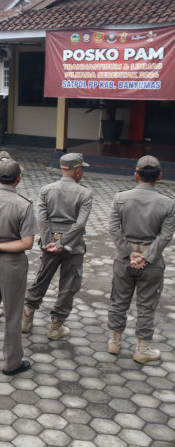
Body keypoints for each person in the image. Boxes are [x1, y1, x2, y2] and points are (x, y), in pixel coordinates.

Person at [107, 156, 175, 363]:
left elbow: (113, 229)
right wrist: (147, 257)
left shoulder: (120, 198)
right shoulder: (168, 203)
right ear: (160, 176)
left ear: (136, 175)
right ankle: (142, 350)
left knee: (118, 301)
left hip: (124, 260)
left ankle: (114, 343)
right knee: (146, 305)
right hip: (152, 263)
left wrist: (129, 253)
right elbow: (165, 235)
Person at [23, 153, 93, 340]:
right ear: (78, 171)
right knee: (69, 285)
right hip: (74, 246)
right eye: (82, 169)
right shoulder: (85, 193)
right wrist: (63, 243)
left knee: (41, 279)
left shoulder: (46, 190)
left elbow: (42, 219)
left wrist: (48, 242)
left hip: (49, 245)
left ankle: (26, 318)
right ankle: (56, 327)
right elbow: (79, 224)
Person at [0, 160, 37, 374]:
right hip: (12, 264)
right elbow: (27, 243)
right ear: (18, 179)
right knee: (13, 313)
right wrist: (1, 245)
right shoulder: (23, 204)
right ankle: (12, 363)